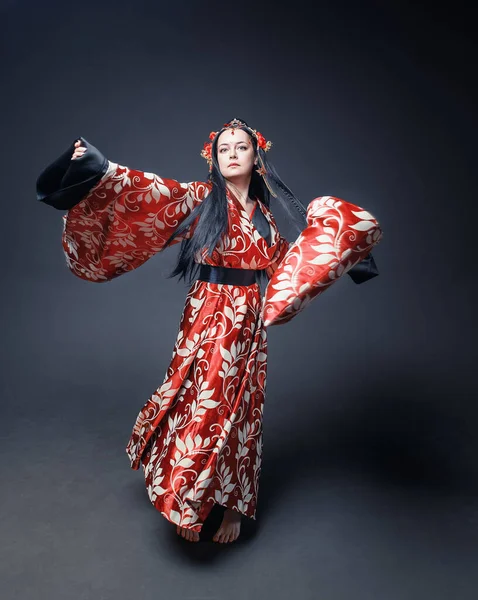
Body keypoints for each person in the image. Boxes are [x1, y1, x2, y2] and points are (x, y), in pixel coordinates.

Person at [36, 117, 378, 544]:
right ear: (214, 161)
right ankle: (186, 498)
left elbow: (291, 269)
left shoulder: (269, 218)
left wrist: (341, 249)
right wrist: (100, 170)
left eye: (241, 148)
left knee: (242, 411)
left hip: (249, 320)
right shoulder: (202, 199)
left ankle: (231, 506)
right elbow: (151, 192)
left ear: (257, 157)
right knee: (200, 400)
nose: (232, 154)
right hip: (206, 311)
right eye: (224, 149)